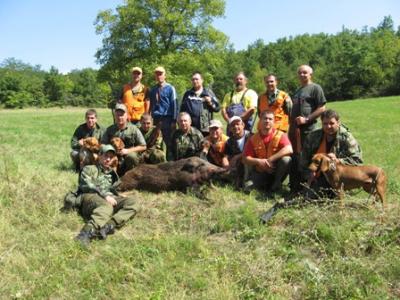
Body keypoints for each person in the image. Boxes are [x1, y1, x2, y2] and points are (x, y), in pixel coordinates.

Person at [75, 144, 138, 246]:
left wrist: (118, 196)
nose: (108, 159)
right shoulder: (89, 169)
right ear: (99, 156)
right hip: (89, 196)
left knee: (132, 202)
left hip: (107, 197)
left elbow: (112, 188)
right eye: (105, 156)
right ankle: (85, 234)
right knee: (106, 206)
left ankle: (108, 226)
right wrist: (105, 196)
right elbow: (88, 185)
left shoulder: (112, 173)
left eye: (111, 157)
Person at [300, 109, 363, 198]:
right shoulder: (313, 137)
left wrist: (338, 161)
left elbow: (357, 160)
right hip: (318, 176)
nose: (328, 126)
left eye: (331, 123)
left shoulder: (347, 138)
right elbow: (304, 160)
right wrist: (309, 174)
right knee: (309, 197)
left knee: (321, 195)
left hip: (340, 177)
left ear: (338, 122)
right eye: (325, 124)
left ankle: (340, 191)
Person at [289, 64, 327, 194]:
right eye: (300, 73)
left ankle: (311, 187)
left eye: (305, 72)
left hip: (308, 130)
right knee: (297, 157)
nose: (302, 75)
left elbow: (322, 108)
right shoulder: (298, 90)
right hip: (295, 131)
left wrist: (307, 119)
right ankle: (297, 186)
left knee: (309, 158)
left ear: (311, 74)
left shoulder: (315, 88)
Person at [243, 110, 293, 194]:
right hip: (260, 172)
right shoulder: (253, 138)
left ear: (274, 122)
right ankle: (263, 185)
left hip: (274, 171)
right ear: (260, 120)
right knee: (247, 188)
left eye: (270, 119)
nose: (267, 121)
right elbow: (245, 158)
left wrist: (270, 160)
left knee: (287, 159)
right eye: (265, 118)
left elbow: (289, 149)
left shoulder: (280, 135)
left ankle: (276, 184)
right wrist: (259, 161)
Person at [102, 103, 147, 175]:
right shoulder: (109, 130)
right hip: (113, 157)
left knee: (131, 156)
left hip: (128, 158)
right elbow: (103, 144)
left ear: (127, 116)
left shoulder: (134, 129)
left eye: (122, 115)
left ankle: (132, 177)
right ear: (114, 116)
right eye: (117, 115)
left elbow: (143, 146)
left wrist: (128, 151)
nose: (120, 117)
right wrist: (110, 153)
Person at [180, 72, 220, 136]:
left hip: (205, 129)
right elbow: (182, 110)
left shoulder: (208, 93)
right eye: (193, 79)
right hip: (190, 128)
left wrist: (210, 102)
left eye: (196, 79)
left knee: (204, 145)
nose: (195, 81)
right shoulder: (187, 94)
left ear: (202, 80)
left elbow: (217, 108)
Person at [149, 66, 178, 152]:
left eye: (161, 74)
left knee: (168, 141)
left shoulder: (170, 88)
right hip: (156, 119)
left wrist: (174, 120)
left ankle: (169, 161)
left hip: (167, 119)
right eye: (157, 74)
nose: (159, 76)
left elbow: (175, 105)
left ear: (165, 76)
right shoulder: (153, 89)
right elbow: (151, 104)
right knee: (156, 140)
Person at [224, 116, 252, 188]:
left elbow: (254, 152)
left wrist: (237, 156)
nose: (235, 127)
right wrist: (226, 163)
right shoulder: (229, 141)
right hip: (237, 167)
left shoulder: (252, 136)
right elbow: (225, 156)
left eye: (238, 124)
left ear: (243, 125)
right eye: (233, 125)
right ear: (230, 128)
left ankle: (245, 184)